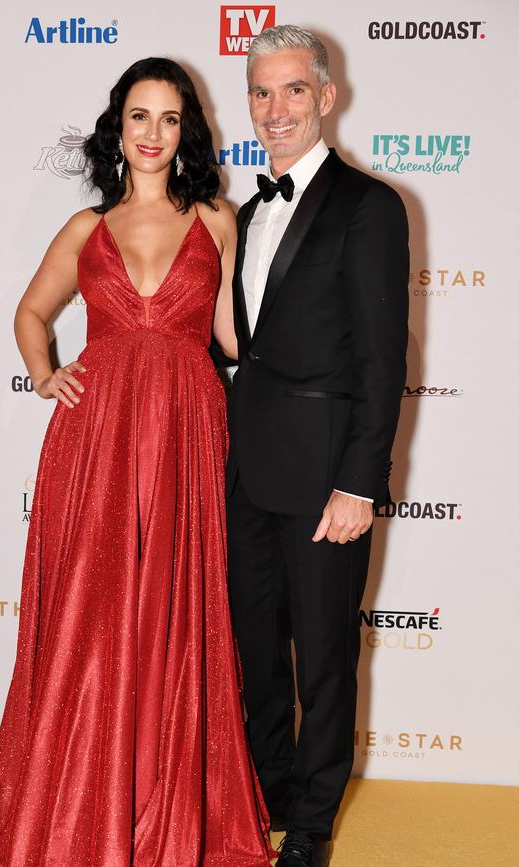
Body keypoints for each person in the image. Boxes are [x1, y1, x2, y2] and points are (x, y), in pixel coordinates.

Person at [0, 57, 272, 867]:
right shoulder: (83, 231)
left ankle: (162, 809)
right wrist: (43, 371)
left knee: (175, 613)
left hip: (186, 437)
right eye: (140, 116)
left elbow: (235, 340)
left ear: (187, 131)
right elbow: (32, 312)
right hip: (93, 446)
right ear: (117, 127)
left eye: (170, 119)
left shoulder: (217, 220)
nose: (154, 134)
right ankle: (77, 810)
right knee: (91, 622)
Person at [225, 26, 409, 867]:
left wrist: (359, 483)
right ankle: (265, 791)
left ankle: (310, 825)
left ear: (326, 97)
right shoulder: (249, 210)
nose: (275, 109)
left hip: (327, 473)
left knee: (326, 659)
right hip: (248, 467)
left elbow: (382, 362)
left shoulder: (370, 206)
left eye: (293, 89)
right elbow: (240, 347)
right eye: (262, 92)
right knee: (255, 648)